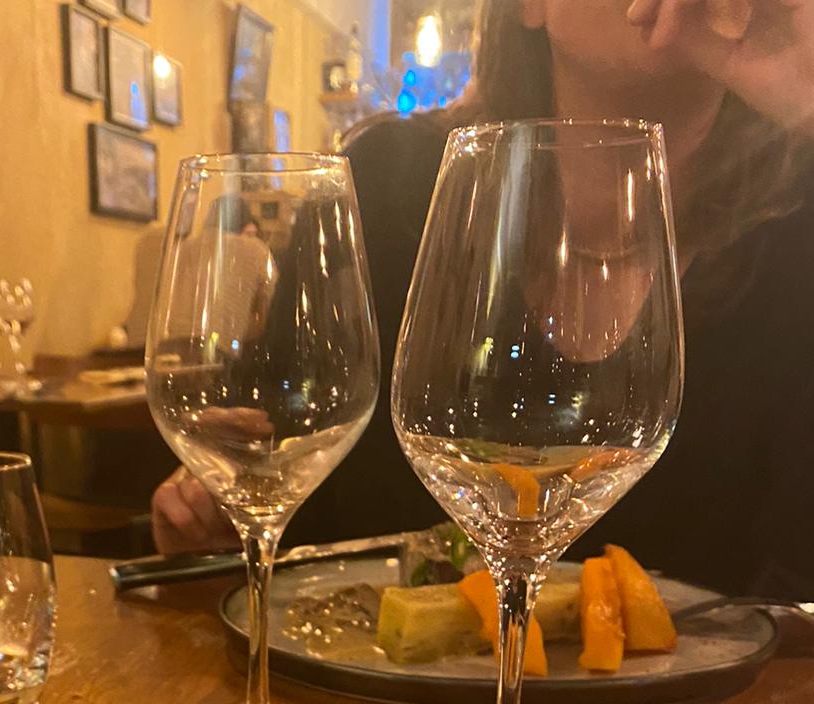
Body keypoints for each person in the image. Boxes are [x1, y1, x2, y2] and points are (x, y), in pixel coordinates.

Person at [152, 0, 814, 596]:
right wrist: (220, 520)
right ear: (529, 7)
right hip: (377, 686)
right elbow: (282, 467)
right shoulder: (388, 186)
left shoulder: (798, 220)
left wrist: (799, 78)